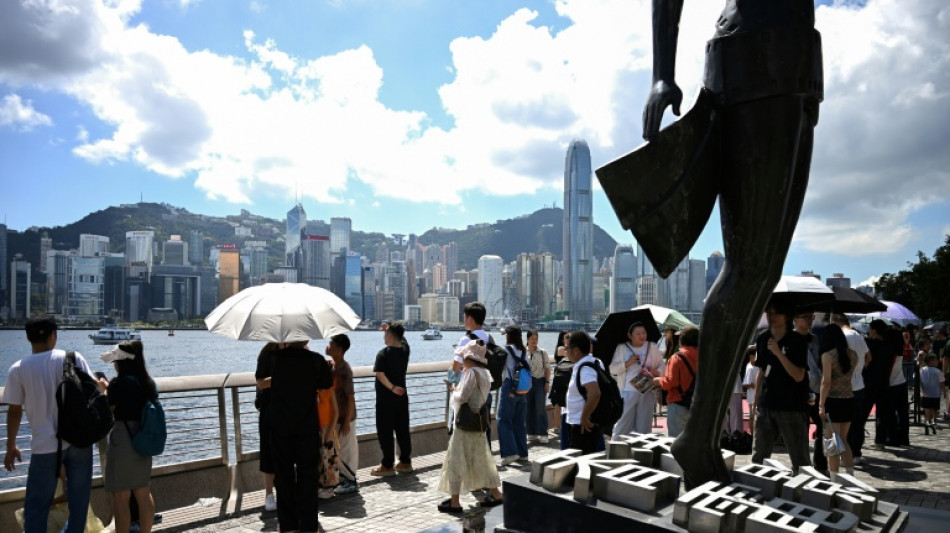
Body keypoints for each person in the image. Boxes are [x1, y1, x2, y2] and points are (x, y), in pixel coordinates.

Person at [633, 0, 823, 486]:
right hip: (751, 58)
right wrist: (662, 73)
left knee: (764, 270)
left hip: (799, 65)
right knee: (747, 264)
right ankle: (697, 437)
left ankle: (698, 436)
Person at [3, 316, 95, 533]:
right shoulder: (72, 358)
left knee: (37, 506)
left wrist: (11, 445)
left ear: (28, 338)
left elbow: (14, 411)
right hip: (79, 440)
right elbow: (94, 390)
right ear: (54, 335)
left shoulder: (18, 369)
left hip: (45, 446)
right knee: (79, 502)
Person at [267, 340, 333, 533]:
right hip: (306, 425)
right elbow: (326, 384)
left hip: (280, 425)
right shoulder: (316, 360)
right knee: (308, 475)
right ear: (305, 338)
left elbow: (261, 380)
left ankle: (287, 525)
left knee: (283, 475)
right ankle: (309, 525)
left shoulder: (273, 358)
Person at [436, 341, 504, 514]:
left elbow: (462, 397)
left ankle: (455, 502)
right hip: (478, 422)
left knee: (456, 459)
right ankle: (496, 494)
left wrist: (453, 389)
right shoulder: (485, 373)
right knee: (481, 458)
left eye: (463, 356)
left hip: (464, 424)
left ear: (468, 357)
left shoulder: (471, 373)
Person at [97, 341, 157, 533]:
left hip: (123, 437)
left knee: (121, 496)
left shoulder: (118, 384)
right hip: (144, 437)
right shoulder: (148, 383)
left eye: (115, 360)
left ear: (121, 362)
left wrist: (104, 391)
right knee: (143, 492)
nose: (114, 364)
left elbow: (108, 410)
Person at [751, 305, 810, 474]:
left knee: (800, 459)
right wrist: (755, 405)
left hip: (790, 406)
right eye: (769, 313)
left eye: (777, 312)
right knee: (759, 456)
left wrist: (778, 353)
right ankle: (757, 489)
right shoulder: (763, 338)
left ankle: (803, 492)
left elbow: (799, 375)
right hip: (766, 404)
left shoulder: (797, 340)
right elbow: (761, 372)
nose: (772, 316)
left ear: (787, 317)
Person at [371, 321, 413, 476]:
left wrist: (392, 388)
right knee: (403, 429)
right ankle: (405, 462)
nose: (383, 336)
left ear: (389, 335)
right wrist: (390, 326)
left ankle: (387, 465)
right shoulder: (404, 351)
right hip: (402, 398)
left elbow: (380, 375)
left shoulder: (383, 354)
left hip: (386, 400)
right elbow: (403, 339)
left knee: (385, 431)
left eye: (385, 333)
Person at [829, 314, 871, 466]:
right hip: (859, 384)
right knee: (858, 422)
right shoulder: (859, 336)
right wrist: (859, 370)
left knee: (842, 423)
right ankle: (856, 453)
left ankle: (843, 455)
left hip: (844, 387)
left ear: (836, 323)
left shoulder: (842, 337)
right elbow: (869, 357)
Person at [609, 322, 663, 439]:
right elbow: (612, 369)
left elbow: (662, 366)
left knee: (644, 426)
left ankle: (641, 451)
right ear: (630, 335)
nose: (642, 336)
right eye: (638, 333)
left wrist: (655, 372)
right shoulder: (622, 348)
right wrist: (628, 363)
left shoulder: (652, 346)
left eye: (644, 333)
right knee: (623, 424)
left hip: (647, 389)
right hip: (627, 390)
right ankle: (617, 447)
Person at [817, 325, 857, 481]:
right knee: (844, 440)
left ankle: (834, 478)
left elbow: (826, 381)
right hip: (848, 399)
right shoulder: (852, 355)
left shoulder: (828, 355)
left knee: (832, 442)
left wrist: (821, 404)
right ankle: (850, 476)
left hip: (832, 401)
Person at [794, 312, 827, 474]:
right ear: (795, 319)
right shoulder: (790, 339)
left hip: (816, 388)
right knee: (800, 428)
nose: (809, 320)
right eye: (806, 317)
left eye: (811, 317)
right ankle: (802, 465)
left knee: (821, 427)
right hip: (798, 390)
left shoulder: (815, 339)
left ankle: (820, 464)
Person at [653, 326, 699, 437]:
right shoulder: (705, 356)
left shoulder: (677, 358)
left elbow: (670, 382)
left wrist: (658, 380)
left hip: (679, 403)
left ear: (681, 340)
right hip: (699, 404)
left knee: (676, 441)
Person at [328, 334, 359, 495]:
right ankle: (343, 479)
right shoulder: (334, 366)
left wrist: (346, 421)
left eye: (330, 344)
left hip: (345, 417)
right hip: (336, 418)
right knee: (339, 450)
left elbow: (350, 397)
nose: (327, 346)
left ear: (339, 349)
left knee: (346, 449)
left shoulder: (345, 371)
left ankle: (351, 481)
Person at [563, 331, 602, 454]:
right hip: (589, 420)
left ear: (576, 351)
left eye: (567, 348)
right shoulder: (595, 361)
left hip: (582, 424)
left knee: (581, 460)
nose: (565, 351)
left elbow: (595, 393)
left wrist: (584, 417)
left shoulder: (585, 367)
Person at [497, 327, 530, 466]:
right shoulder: (524, 351)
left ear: (509, 336)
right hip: (522, 388)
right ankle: (523, 453)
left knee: (504, 420)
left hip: (509, 386)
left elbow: (501, 367)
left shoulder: (506, 350)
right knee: (519, 421)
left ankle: (510, 453)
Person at [254, 342, 280, 511]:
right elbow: (261, 383)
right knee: (269, 452)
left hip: (289, 410)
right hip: (270, 410)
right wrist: (280, 377)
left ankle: (285, 491)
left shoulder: (296, 353)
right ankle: (269, 495)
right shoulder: (267, 354)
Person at [316, 357, 340, 501]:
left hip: (327, 428)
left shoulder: (330, 390)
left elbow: (336, 412)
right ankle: (322, 486)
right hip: (319, 428)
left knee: (329, 458)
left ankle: (329, 487)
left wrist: (330, 431)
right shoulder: (316, 390)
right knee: (320, 458)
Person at [525, 330, 551, 444]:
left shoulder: (542, 352)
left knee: (540, 407)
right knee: (528, 408)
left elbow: (547, 368)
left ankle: (543, 433)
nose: (534, 341)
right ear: (527, 339)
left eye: (536, 338)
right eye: (532, 339)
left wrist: (547, 382)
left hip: (539, 381)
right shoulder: (523, 352)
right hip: (526, 382)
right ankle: (531, 433)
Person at [919, 353, 946, 434]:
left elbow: (917, 378)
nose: (938, 361)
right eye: (936, 360)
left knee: (927, 408)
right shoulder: (938, 371)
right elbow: (942, 383)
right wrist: (944, 391)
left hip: (925, 393)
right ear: (931, 361)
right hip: (935, 394)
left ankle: (927, 422)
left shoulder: (922, 370)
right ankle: (934, 422)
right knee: (935, 409)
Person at [742, 347, 759, 437]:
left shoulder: (752, 366)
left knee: (753, 417)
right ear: (751, 356)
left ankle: (754, 436)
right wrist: (756, 385)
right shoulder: (750, 367)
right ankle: (753, 436)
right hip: (753, 397)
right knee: (753, 417)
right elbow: (746, 384)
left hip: (754, 396)